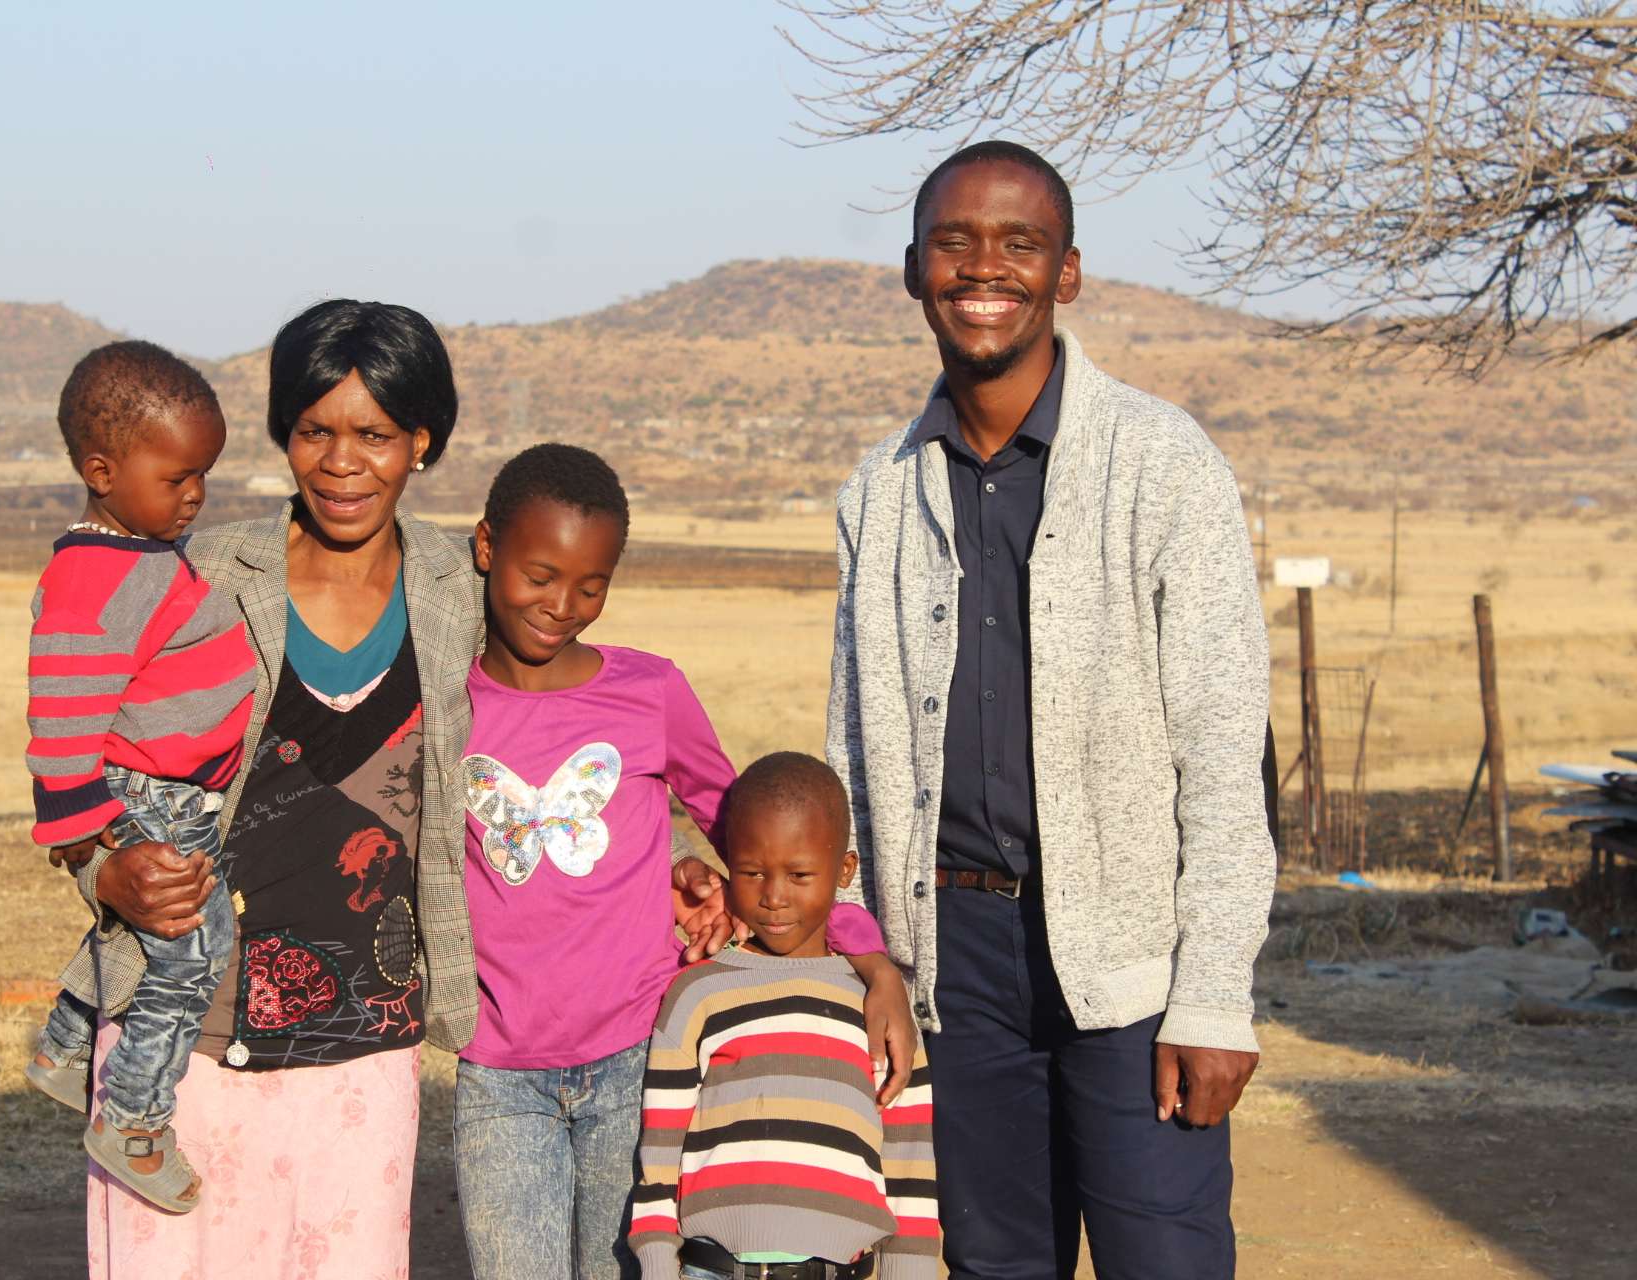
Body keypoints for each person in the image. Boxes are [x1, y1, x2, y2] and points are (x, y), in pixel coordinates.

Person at [51, 301, 783, 1278]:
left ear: (422, 442)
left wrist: (668, 853)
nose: (343, 461)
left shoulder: (454, 584)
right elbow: (75, 739)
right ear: (283, 435)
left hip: (369, 1038)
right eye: (315, 430)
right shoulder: (204, 574)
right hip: (187, 1025)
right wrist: (105, 869)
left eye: (376, 434)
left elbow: (555, 701)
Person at [825, 141, 1276, 1279]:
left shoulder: (1162, 463)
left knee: (1161, 1255)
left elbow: (1226, 750)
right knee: (993, 1261)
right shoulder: (879, 490)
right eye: (956, 240)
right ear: (913, 268)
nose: (986, 266)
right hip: (954, 965)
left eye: (1020, 242)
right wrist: (870, 951)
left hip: (1131, 956)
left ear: (1066, 272)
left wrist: (1217, 992)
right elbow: (855, 757)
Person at [451, 444, 912, 1280]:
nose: (563, 605)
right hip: (496, 1072)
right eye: (541, 574)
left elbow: (757, 841)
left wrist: (862, 945)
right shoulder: (446, 705)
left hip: (637, 1061)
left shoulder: (648, 692)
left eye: (592, 586)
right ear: (487, 548)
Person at [22, 341, 254, 1213]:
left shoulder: (141, 552)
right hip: (152, 798)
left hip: (182, 794)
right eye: (178, 477)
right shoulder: (92, 581)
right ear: (102, 471)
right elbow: (62, 725)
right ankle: (133, 1118)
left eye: (205, 475)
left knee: (147, 938)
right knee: (192, 960)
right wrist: (85, 836)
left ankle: (63, 1046)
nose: (196, 495)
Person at [628, 752, 942, 1280]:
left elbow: (911, 1177)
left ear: (843, 871)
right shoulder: (695, 996)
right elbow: (657, 1162)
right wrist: (658, 1266)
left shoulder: (880, 1010)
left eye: (799, 874)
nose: (773, 897)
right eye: (752, 872)